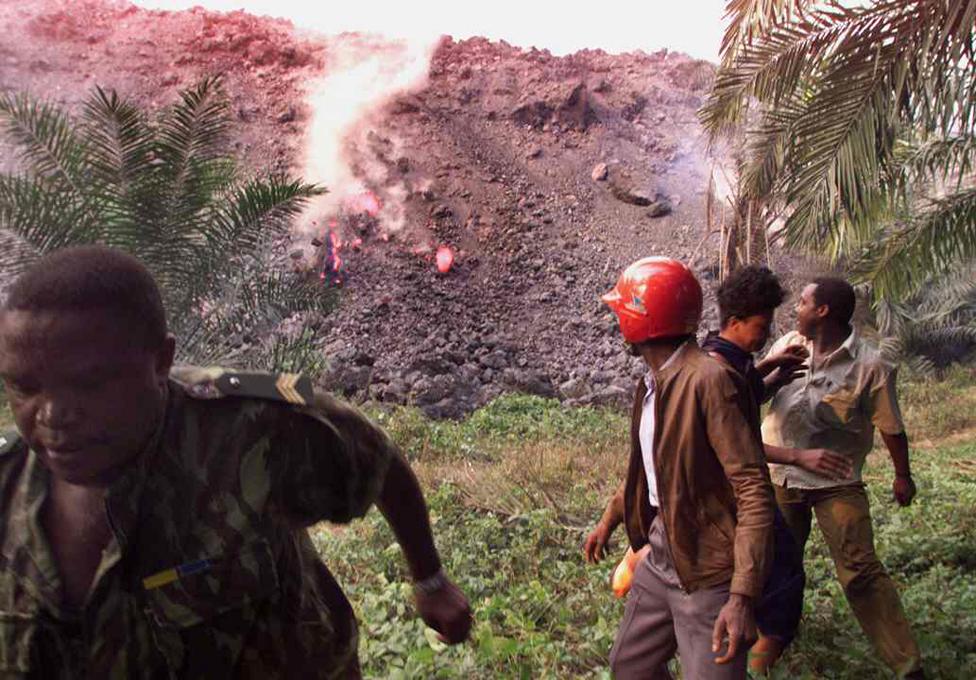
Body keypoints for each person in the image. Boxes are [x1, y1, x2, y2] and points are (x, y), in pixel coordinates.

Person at [0, 245, 472, 678]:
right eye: (24, 386)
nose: (53, 416)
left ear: (161, 361)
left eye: (89, 384)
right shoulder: (8, 486)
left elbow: (378, 460)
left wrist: (430, 579)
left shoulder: (255, 426)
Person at [584, 257, 775, 679]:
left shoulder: (708, 380)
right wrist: (608, 522)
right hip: (661, 551)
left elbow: (754, 491)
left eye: (622, 314)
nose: (618, 324)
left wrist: (741, 596)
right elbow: (651, 473)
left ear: (640, 321)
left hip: (708, 566)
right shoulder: (652, 384)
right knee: (630, 666)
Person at [761, 277, 924, 679]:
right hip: (781, 475)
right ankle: (771, 639)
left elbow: (891, 427)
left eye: (802, 301)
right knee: (774, 564)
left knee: (860, 570)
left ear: (823, 312)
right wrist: (771, 376)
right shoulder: (786, 347)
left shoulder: (870, 366)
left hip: (836, 482)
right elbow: (751, 394)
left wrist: (902, 476)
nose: (794, 308)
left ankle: (907, 665)